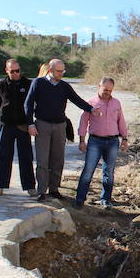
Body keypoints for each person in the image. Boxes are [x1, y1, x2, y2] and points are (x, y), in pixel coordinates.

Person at [24, 59, 98, 202]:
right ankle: (41, 190)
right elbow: (28, 104)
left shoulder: (64, 86)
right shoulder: (38, 83)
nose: (61, 73)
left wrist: (91, 109)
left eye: (63, 71)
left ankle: (54, 189)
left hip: (59, 126)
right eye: (59, 71)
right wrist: (30, 124)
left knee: (58, 159)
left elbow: (77, 100)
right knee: (42, 160)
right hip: (42, 125)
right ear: (50, 70)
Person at [74, 77, 129, 209]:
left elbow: (121, 121)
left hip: (112, 141)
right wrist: (82, 140)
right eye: (105, 90)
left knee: (109, 172)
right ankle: (80, 198)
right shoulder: (90, 103)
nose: (107, 93)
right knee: (88, 170)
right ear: (99, 86)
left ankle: (105, 199)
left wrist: (125, 138)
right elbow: (83, 123)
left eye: (110, 90)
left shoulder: (116, 103)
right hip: (95, 141)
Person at [0, 58, 36, 196]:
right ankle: (0, 186)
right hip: (6, 126)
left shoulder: (28, 84)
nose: (16, 73)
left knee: (26, 157)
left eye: (18, 70)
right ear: (7, 70)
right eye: (12, 71)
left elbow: (33, 104)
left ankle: (30, 187)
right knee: (3, 156)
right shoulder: (1, 84)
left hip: (23, 126)